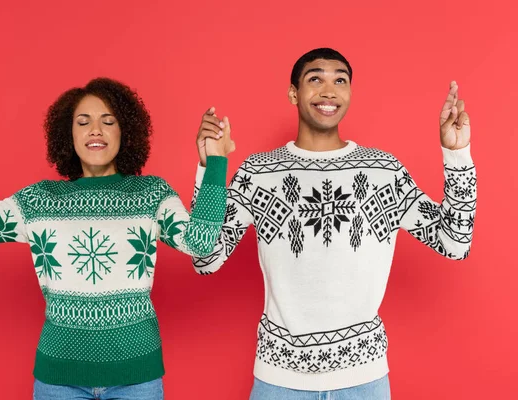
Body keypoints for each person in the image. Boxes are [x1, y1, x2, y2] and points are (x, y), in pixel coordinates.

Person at [193, 48, 476, 399]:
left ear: (350, 93)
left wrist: (457, 153)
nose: (329, 91)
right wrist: (211, 170)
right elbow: (205, 257)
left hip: (364, 380)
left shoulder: (382, 172)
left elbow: (454, 241)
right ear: (293, 93)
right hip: (279, 381)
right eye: (316, 79)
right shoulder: (259, 173)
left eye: (340, 80)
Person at [0, 78, 234, 400]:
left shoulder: (152, 194)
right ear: (69, 135)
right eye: (84, 122)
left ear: (126, 133)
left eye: (108, 121)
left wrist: (214, 162)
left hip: (137, 379)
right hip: (58, 381)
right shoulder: (39, 201)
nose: (96, 130)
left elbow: (202, 242)